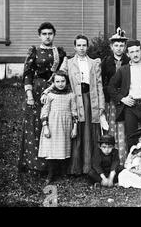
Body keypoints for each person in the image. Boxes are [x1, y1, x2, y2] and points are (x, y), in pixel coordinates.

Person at [44, 34, 106, 175]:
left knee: (90, 130)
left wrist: (101, 104)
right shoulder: (69, 62)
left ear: (87, 47)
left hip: (91, 99)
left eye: (84, 45)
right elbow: (58, 78)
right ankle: (76, 167)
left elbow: (99, 84)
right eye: (79, 45)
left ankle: (90, 166)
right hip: (75, 99)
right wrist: (47, 90)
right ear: (75, 47)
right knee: (77, 129)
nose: (81, 48)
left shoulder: (94, 62)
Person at [19, 22, 67, 173]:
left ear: (54, 35)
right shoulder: (35, 51)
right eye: (44, 34)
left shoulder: (59, 52)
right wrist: (29, 94)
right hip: (36, 89)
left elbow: (62, 73)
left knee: (51, 124)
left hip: (53, 89)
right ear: (40, 35)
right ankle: (34, 164)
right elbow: (27, 74)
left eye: (50, 34)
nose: (47, 36)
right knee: (34, 124)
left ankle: (51, 165)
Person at [38, 71, 78, 184]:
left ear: (66, 82)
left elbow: (74, 112)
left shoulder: (71, 95)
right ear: (54, 83)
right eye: (58, 81)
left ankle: (63, 172)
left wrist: (75, 127)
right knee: (52, 150)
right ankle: (50, 174)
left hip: (66, 125)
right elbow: (44, 112)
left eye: (63, 81)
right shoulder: (50, 96)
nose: (60, 84)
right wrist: (45, 127)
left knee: (63, 148)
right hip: (52, 124)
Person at [101, 29, 130, 165]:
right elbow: (102, 82)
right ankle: (110, 161)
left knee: (123, 128)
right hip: (110, 100)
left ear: (125, 47)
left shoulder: (128, 62)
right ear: (111, 47)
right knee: (111, 128)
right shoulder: (105, 62)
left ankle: (123, 160)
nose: (119, 48)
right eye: (116, 45)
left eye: (121, 46)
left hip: (125, 100)